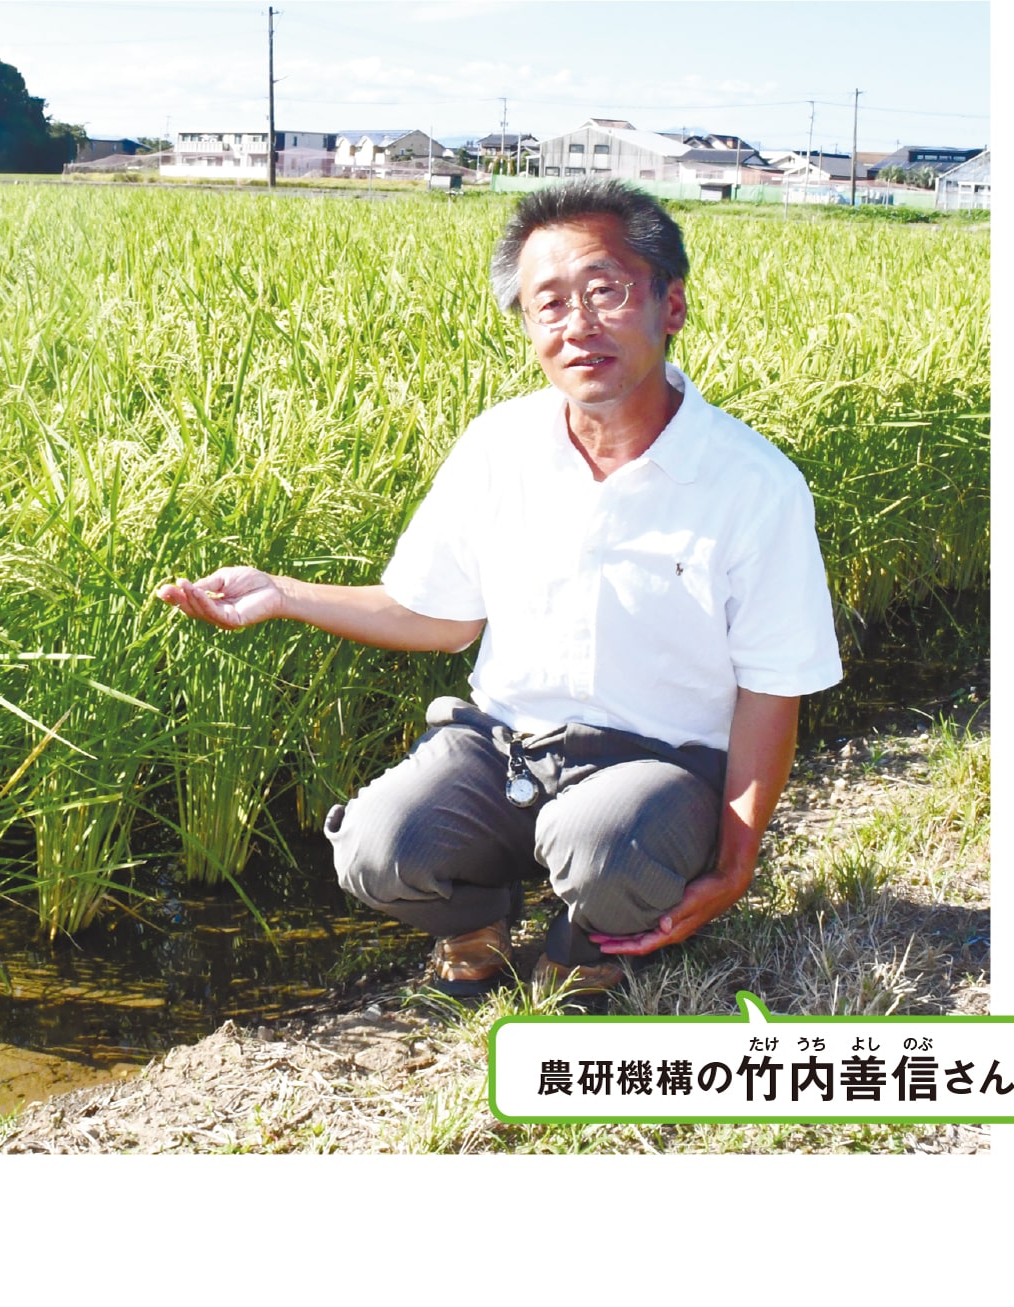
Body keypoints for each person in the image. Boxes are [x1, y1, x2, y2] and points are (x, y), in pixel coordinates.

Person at [155, 177, 842, 997]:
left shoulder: (752, 484)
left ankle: (592, 938)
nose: (578, 324)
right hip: (504, 751)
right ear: (526, 325)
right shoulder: (500, 445)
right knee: (375, 846)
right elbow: (437, 617)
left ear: (673, 306)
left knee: (607, 844)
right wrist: (284, 593)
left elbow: (773, 687)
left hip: (658, 775)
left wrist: (737, 860)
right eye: (547, 303)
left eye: (606, 291)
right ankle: (477, 917)